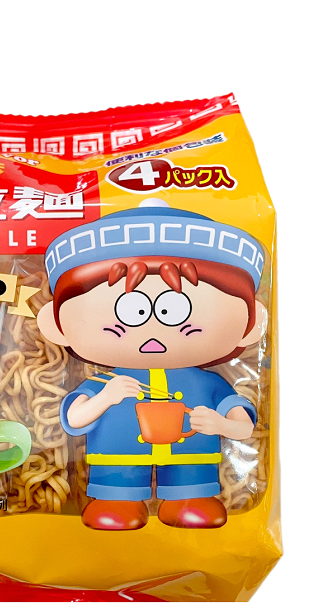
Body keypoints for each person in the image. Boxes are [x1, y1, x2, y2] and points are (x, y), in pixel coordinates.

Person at [37, 200, 267, 530]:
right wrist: (106, 398)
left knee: (192, 478)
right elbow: (74, 419)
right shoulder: (106, 383)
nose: (153, 329)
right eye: (133, 311)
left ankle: (190, 499)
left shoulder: (207, 384)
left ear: (252, 324)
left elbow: (243, 426)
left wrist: (220, 424)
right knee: (117, 482)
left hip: (192, 459)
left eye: (173, 310)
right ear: (56, 325)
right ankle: (116, 502)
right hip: (117, 461)